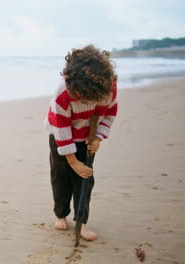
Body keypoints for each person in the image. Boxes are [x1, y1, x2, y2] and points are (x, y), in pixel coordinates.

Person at [44, 45, 118, 241]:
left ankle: (82, 222)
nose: (86, 101)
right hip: (61, 135)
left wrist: (98, 138)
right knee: (61, 177)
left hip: (87, 136)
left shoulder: (108, 88)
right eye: (83, 97)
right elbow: (61, 127)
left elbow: (109, 114)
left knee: (85, 178)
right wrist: (72, 160)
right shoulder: (64, 92)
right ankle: (60, 214)